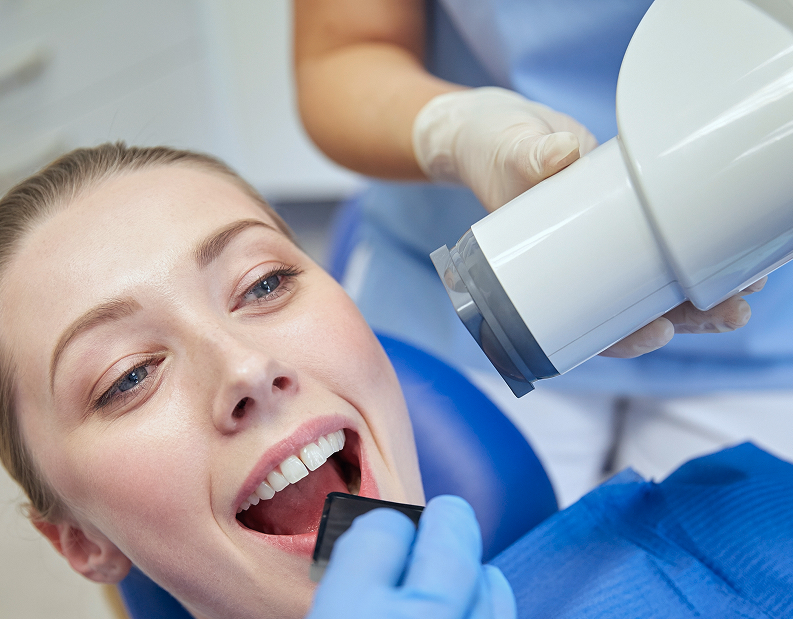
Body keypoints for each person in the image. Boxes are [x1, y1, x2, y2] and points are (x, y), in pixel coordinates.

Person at [0, 144, 791, 619]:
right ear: (78, 541)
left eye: (264, 283)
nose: (245, 367)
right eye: (127, 375)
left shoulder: (719, 528)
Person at [293, 0, 791, 506]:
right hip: (468, 287)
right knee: (375, 548)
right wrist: (457, 130)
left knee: (731, 563)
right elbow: (340, 54)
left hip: (768, 337)